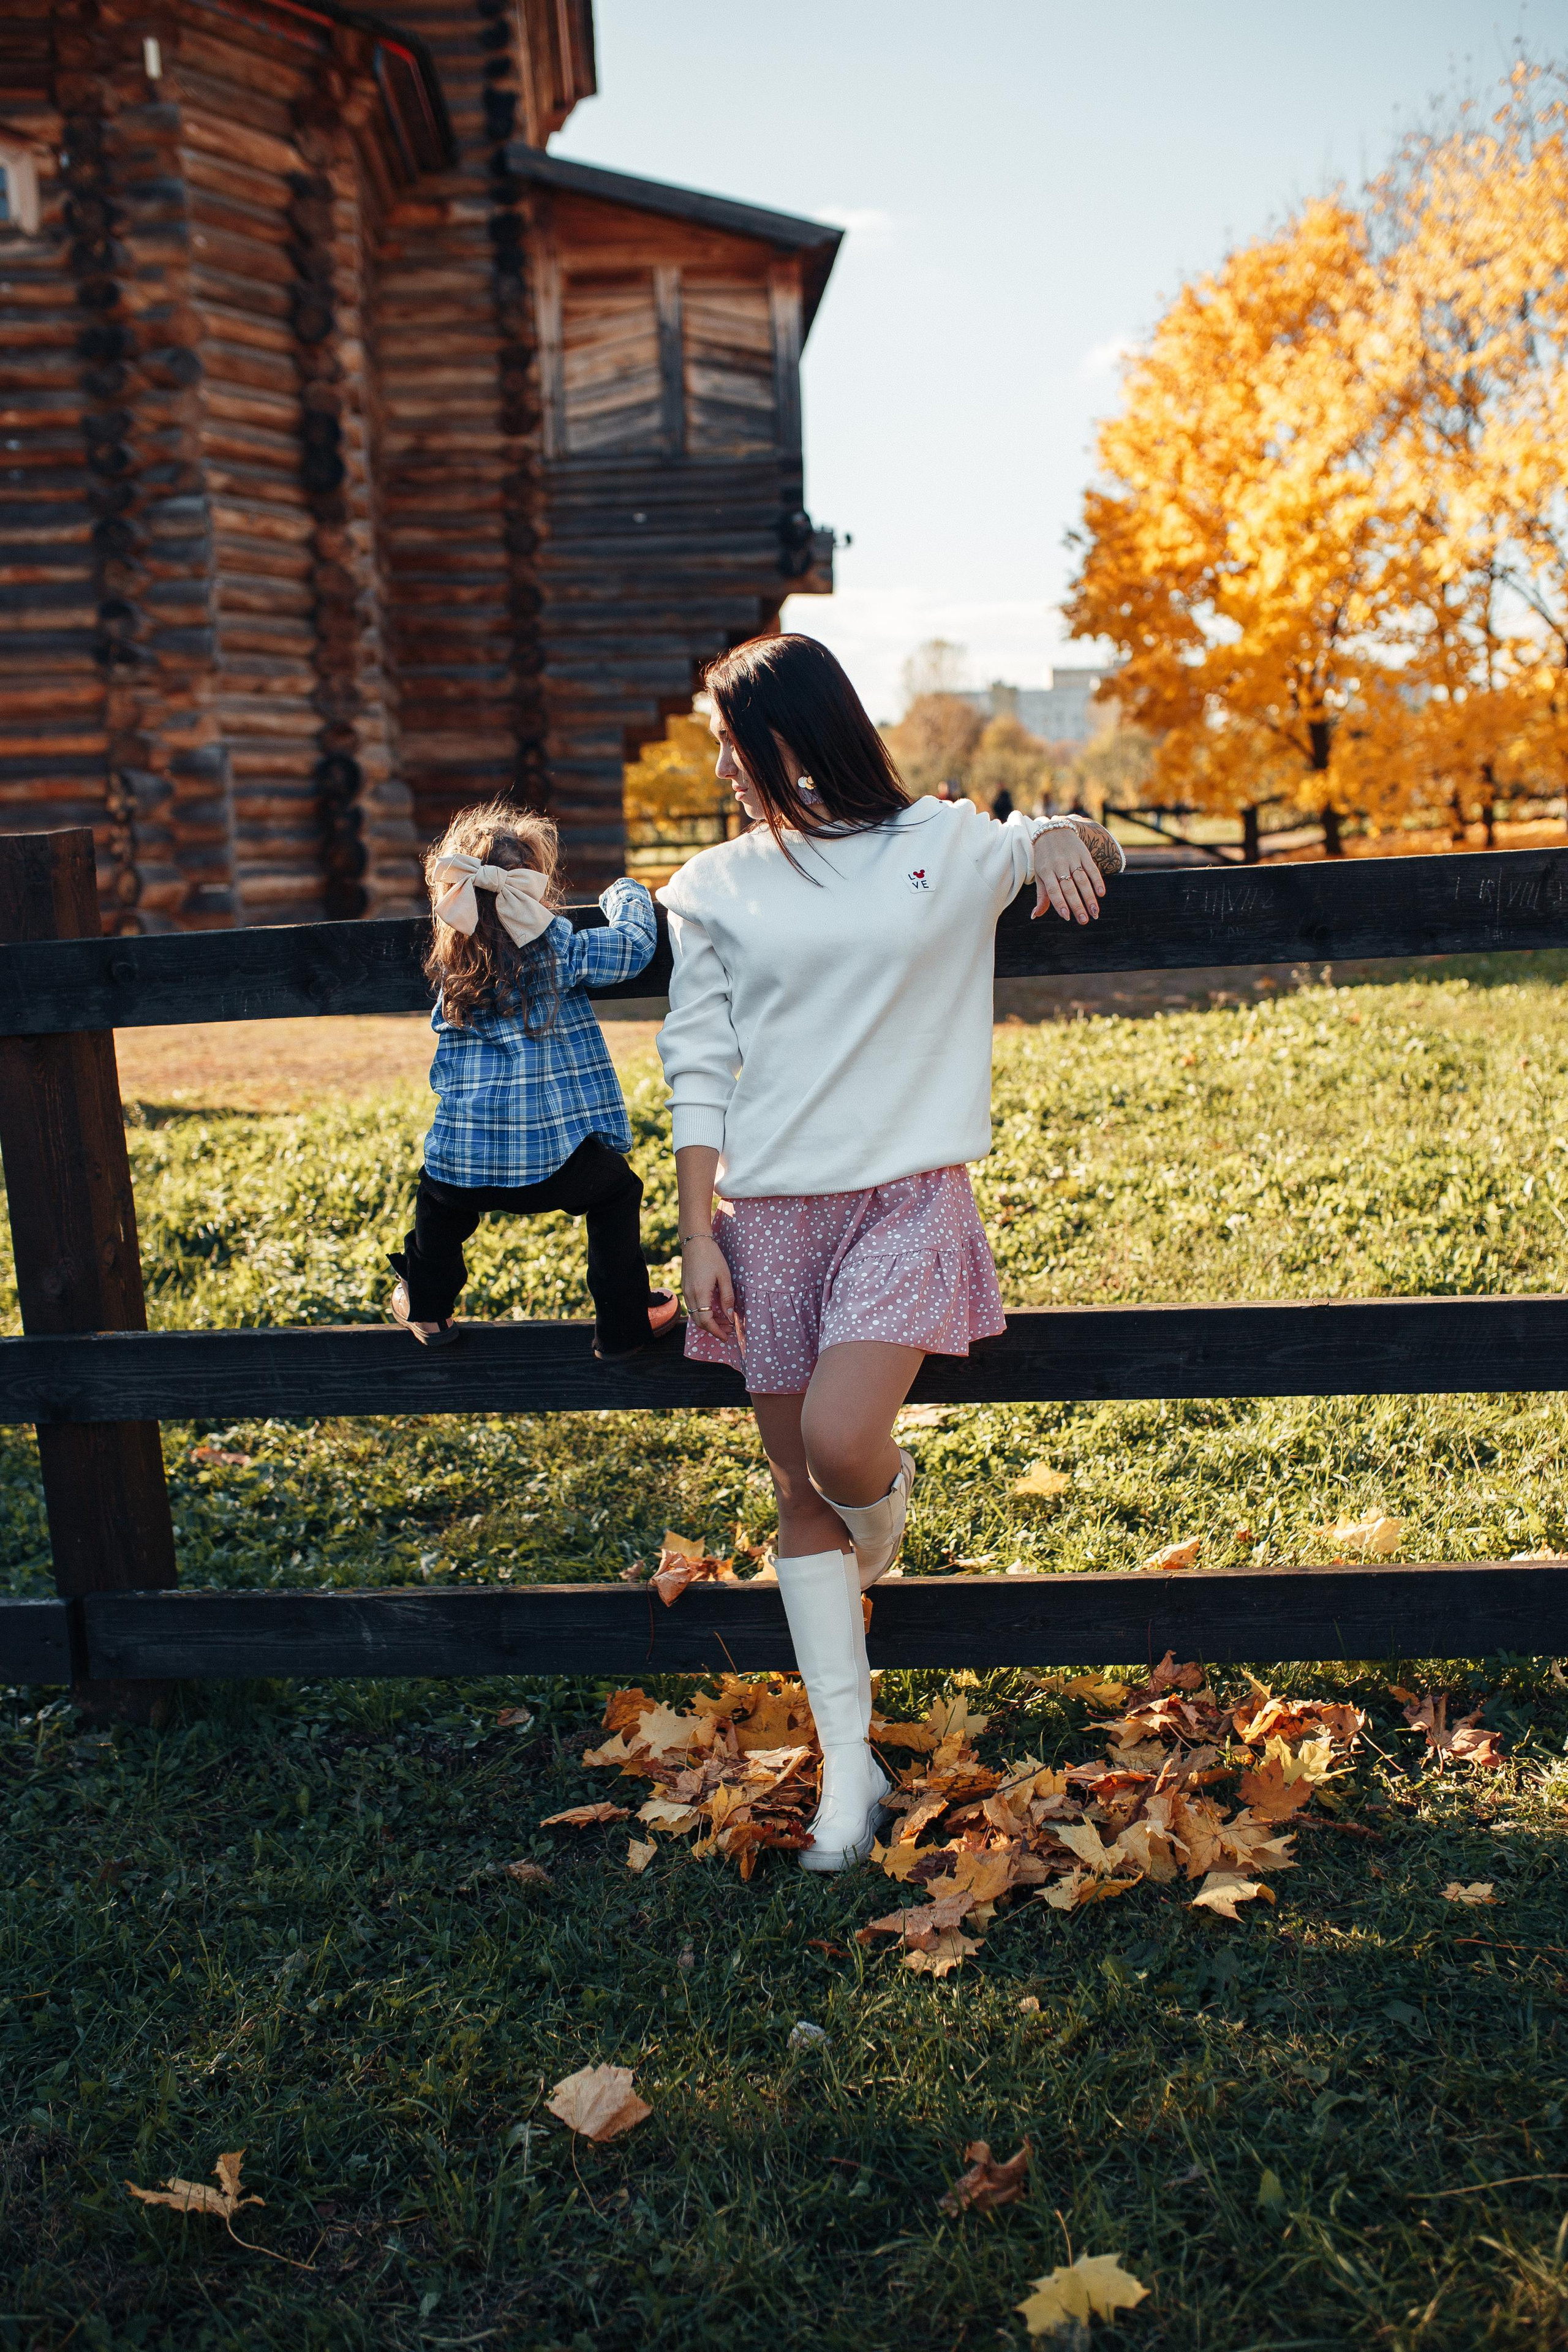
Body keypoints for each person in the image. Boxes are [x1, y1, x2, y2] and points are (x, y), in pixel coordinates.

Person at [657, 636, 1123, 1871]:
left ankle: (881, 1522)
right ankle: (847, 1769)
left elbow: (1072, 847)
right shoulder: (710, 885)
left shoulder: (941, 842)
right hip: (770, 1216)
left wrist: (1063, 830)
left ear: (791, 734)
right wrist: (697, 1231)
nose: (720, 766)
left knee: (839, 1443)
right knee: (798, 1496)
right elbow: (695, 1066)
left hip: (908, 1200)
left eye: (729, 742)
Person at [389, 800, 680, 1362]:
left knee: (437, 1203)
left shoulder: (451, 962)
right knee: (617, 1192)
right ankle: (623, 1325)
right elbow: (633, 947)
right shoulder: (560, 950)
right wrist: (627, 893)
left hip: (464, 1165)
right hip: (556, 1164)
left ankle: (427, 1306)